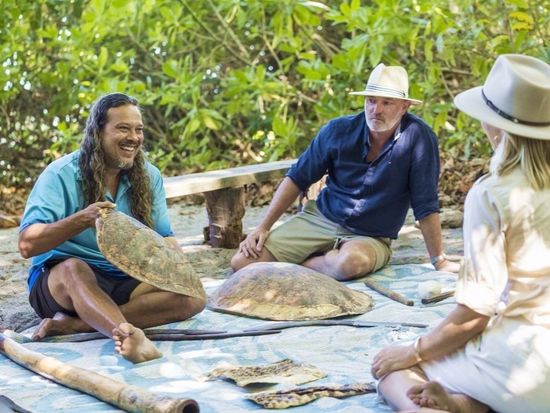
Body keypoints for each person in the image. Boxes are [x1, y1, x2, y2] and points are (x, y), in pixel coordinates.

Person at [371, 54, 550, 413]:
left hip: (525, 368)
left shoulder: (492, 194)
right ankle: (462, 403)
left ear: (495, 125)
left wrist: (412, 351)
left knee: (393, 372)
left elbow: (474, 314)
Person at [18, 93, 206, 364]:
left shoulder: (149, 175)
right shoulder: (60, 174)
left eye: (138, 129)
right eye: (123, 128)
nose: (134, 137)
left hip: (123, 276)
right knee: (74, 268)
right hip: (63, 283)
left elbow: (165, 238)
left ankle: (80, 324)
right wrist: (83, 218)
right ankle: (128, 336)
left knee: (193, 297)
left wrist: (179, 270)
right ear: (97, 133)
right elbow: (27, 245)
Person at [231, 63, 459, 280]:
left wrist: (439, 261)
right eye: (371, 101)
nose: (376, 110)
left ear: (404, 106)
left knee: (349, 263)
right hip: (321, 219)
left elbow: (425, 204)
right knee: (243, 262)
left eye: (387, 103)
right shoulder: (338, 130)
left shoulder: (419, 138)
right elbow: (297, 178)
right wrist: (263, 227)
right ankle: (321, 260)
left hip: (369, 236)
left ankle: (306, 263)